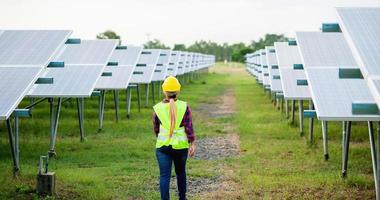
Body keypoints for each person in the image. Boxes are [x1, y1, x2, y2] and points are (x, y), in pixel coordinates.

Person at [153, 76, 196, 200]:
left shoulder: (157, 108)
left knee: (164, 175)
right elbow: (189, 127)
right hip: (181, 146)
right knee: (181, 172)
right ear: (178, 91)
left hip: (163, 147)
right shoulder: (184, 106)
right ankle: (182, 198)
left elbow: (156, 128)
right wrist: (192, 143)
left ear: (164, 91)